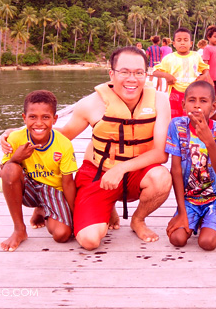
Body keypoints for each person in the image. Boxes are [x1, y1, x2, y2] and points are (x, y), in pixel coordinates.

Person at [54, 47, 173, 250]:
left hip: (136, 173)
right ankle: (106, 207)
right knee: (89, 241)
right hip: (99, 173)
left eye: (138, 73)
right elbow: (62, 136)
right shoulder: (90, 104)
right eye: (124, 72)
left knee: (161, 178)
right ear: (112, 74)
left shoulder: (160, 101)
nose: (132, 79)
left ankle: (138, 220)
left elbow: (161, 154)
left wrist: (121, 168)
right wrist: (16, 134)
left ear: (146, 74)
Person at [0, 90, 78, 251]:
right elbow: (5, 174)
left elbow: (68, 183)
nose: (39, 123)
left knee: (63, 234)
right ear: (24, 118)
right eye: (33, 117)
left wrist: (76, 216)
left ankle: (43, 210)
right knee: (11, 169)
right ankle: (19, 229)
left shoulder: (63, 145)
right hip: (28, 187)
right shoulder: (16, 138)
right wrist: (16, 158)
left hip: (53, 190)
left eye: (46, 117)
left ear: (55, 119)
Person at [165, 81, 216, 251]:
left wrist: (209, 141)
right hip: (190, 198)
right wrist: (181, 212)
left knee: (207, 243)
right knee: (177, 239)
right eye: (192, 100)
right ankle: (197, 217)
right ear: (183, 104)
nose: (197, 106)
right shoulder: (177, 126)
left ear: (213, 106)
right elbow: (176, 170)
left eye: (203, 101)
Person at [152, 27, 211, 118]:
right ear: (174, 44)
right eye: (179, 40)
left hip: (193, 94)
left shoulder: (196, 56)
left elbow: (205, 68)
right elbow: (155, 71)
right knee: (174, 117)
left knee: (192, 116)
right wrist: (167, 75)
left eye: (185, 40)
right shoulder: (169, 58)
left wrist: (204, 76)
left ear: (191, 43)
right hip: (175, 93)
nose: (182, 42)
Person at [202, 25, 216, 92]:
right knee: (209, 96)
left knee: (215, 97)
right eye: (215, 36)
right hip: (210, 78)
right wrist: (208, 78)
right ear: (209, 37)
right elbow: (205, 65)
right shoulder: (207, 48)